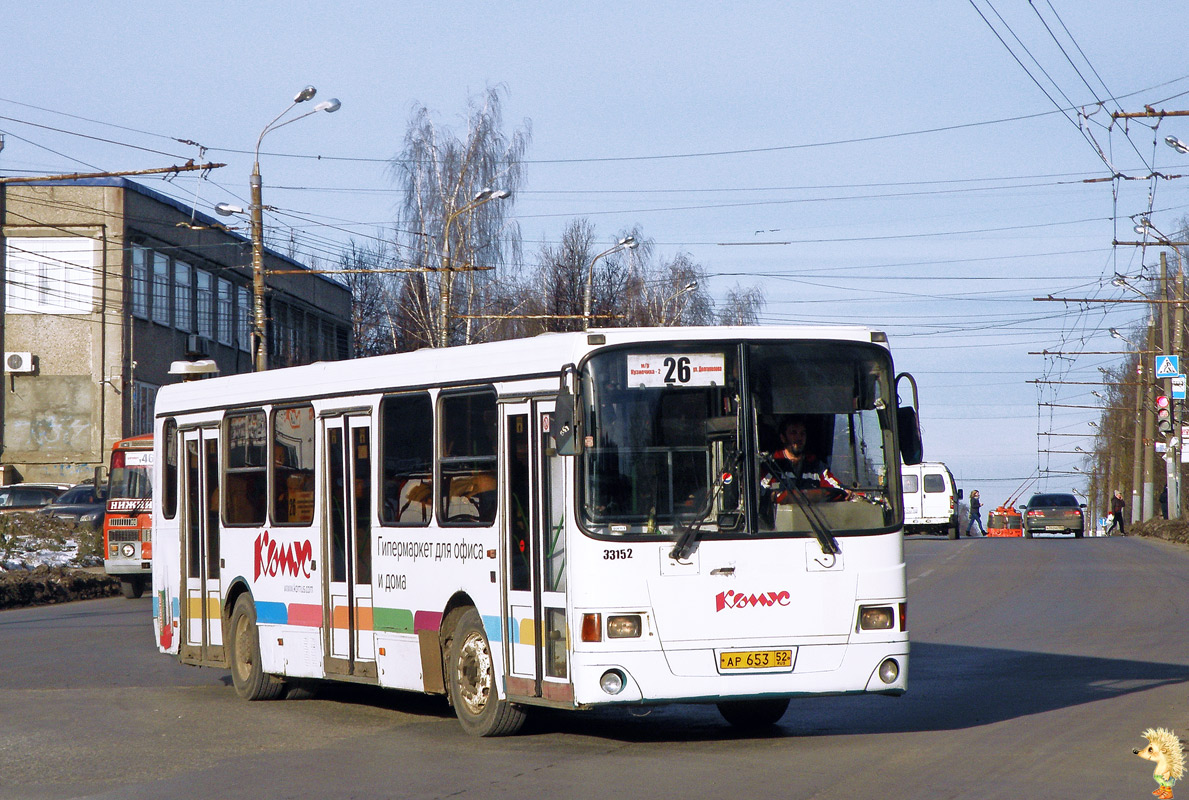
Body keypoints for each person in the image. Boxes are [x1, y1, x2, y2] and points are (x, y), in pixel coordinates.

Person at [760, 416, 850, 510]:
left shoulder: (815, 465)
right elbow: (761, 492)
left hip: (815, 521)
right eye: (793, 433)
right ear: (783, 438)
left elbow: (835, 486)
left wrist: (847, 492)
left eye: (802, 434)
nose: (799, 438)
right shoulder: (771, 466)